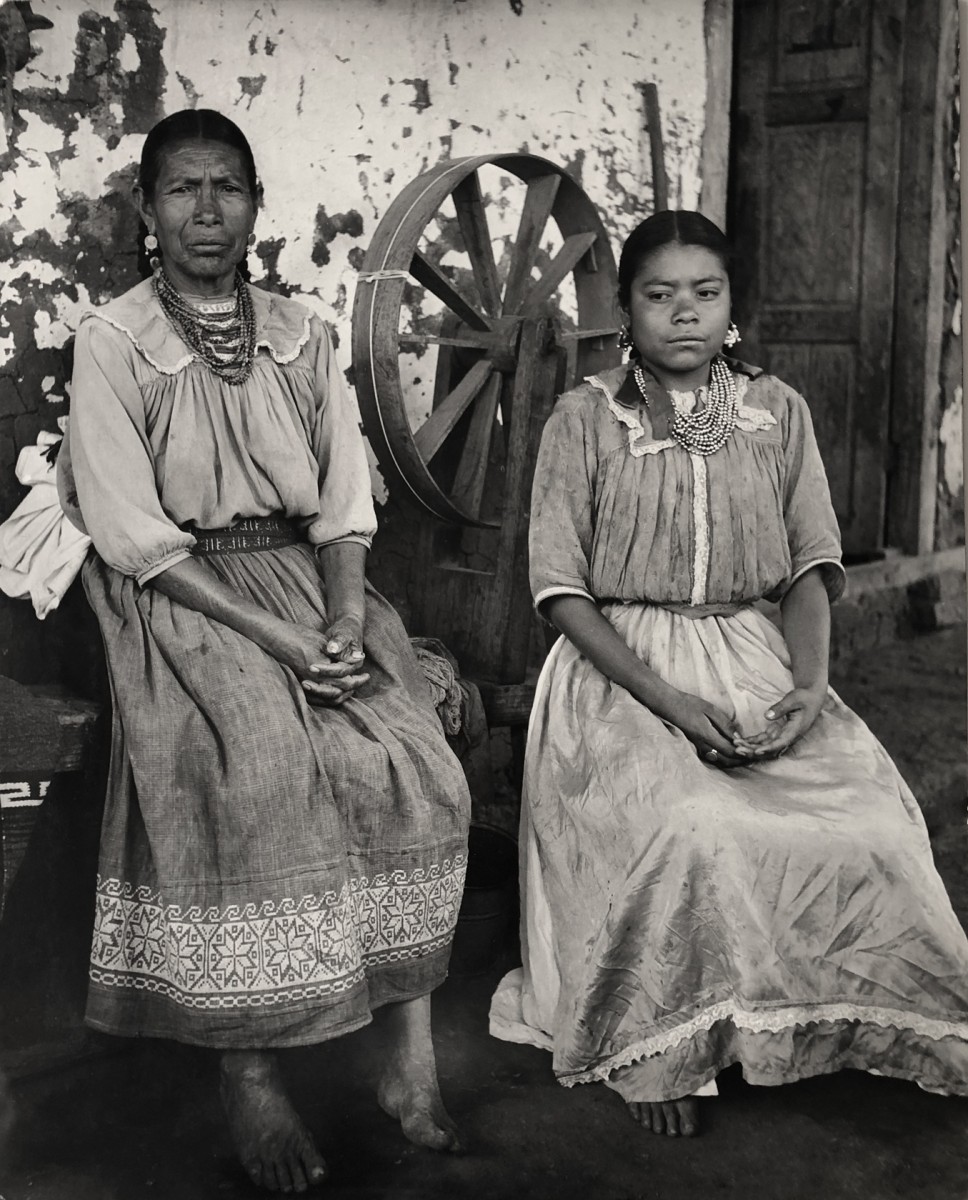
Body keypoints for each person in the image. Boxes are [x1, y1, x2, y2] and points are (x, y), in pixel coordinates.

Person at [57, 109, 470, 1192]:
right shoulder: (114, 341)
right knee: (263, 769)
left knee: (413, 768)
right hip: (181, 593)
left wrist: (344, 618)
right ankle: (249, 1073)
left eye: (228, 188)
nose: (207, 209)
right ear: (147, 210)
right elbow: (130, 532)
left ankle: (409, 1059)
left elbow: (342, 500)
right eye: (182, 189)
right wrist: (281, 641)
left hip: (307, 579)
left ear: (254, 206)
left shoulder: (300, 332)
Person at [489, 209, 968, 1137]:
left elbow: (809, 568)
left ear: (731, 303)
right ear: (626, 309)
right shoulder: (585, 420)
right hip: (619, 674)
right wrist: (669, 700)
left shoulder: (777, 412)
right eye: (660, 295)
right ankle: (662, 1045)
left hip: (757, 658)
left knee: (873, 820)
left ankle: (849, 1023)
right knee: (689, 823)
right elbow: (560, 592)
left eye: (705, 293)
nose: (685, 314)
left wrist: (810, 689)